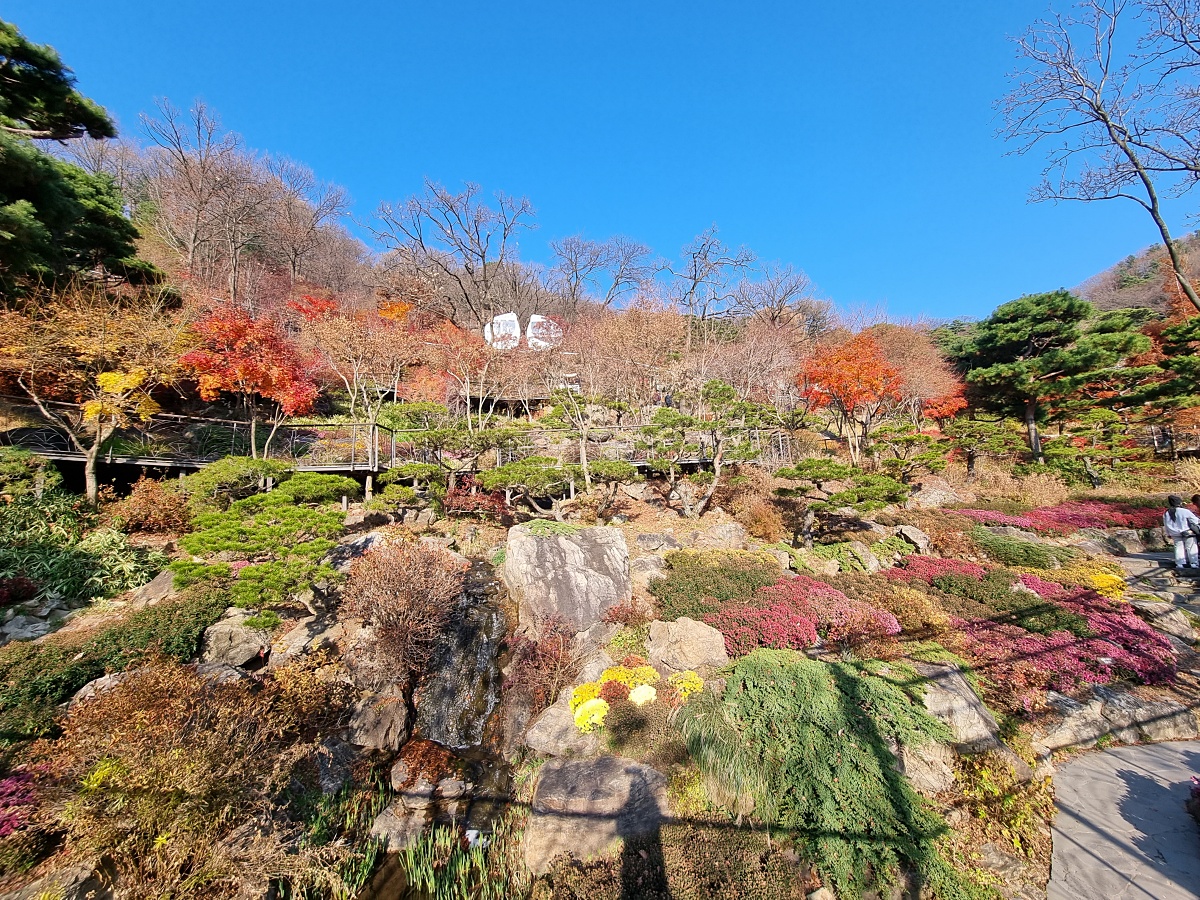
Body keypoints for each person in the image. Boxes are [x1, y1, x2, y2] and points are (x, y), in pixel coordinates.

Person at [1164, 495, 1200, 569]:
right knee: (1191, 547)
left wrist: (1168, 533)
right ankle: (1194, 563)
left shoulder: (1167, 513)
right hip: (1188, 532)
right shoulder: (1185, 511)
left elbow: (1166, 524)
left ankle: (1180, 564)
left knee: (1178, 547)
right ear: (1179, 502)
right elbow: (1195, 521)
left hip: (1174, 533)